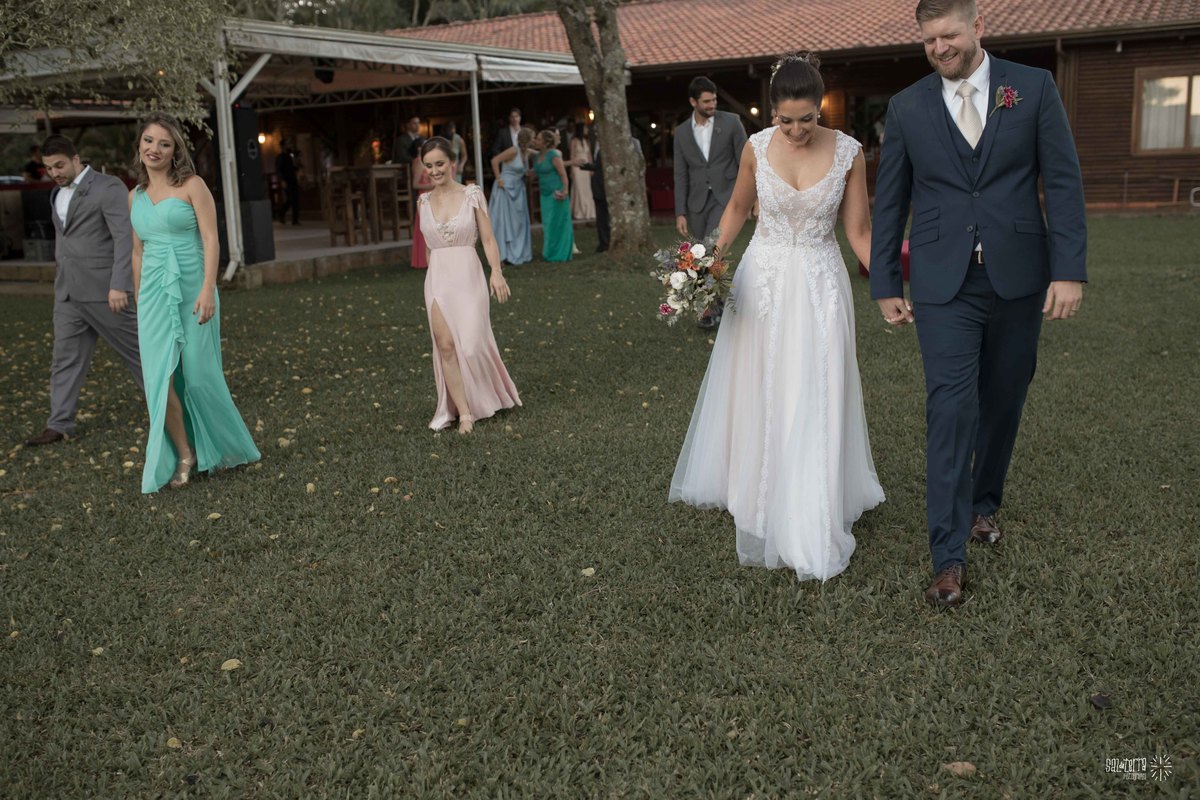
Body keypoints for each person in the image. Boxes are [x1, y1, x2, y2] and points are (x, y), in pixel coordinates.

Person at [870, 0, 1087, 608]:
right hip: (942, 284)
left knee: (1004, 396)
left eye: (950, 35)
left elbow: (1062, 181)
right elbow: (891, 200)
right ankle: (947, 558)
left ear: (978, 27)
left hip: (1019, 275)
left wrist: (1069, 271)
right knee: (950, 408)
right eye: (929, 40)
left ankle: (982, 503)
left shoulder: (1033, 89)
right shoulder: (907, 106)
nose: (940, 48)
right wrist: (886, 282)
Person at [670, 53, 884, 583]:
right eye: (785, 120)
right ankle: (756, 485)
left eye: (806, 119)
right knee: (761, 384)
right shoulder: (756, 146)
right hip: (762, 282)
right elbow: (736, 210)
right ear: (772, 113)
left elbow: (858, 231)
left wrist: (890, 285)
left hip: (819, 285)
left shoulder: (849, 153)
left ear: (821, 107)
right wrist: (704, 264)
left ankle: (810, 495)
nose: (795, 130)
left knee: (815, 386)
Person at [129, 112, 261, 492]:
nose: (155, 149)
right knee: (160, 380)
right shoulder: (134, 196)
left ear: (175, 151)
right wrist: (139, 297)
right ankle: (185, 454)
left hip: (193, 289)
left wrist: (208, 289)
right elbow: (137, 251)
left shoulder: (192, 185)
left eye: (164, 143)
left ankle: (227, 446)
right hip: (153, 296)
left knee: (200, 375)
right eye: (149, 141)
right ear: (139, 145)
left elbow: (211, 239)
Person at [23, 135, 144, 447]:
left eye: (60, 165)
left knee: (140, 354)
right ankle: (59, 424)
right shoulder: (55, 193)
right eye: (49, 168)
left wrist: (120, 284)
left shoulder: (108, 187)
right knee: (64, 359)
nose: (55, 173)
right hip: (67, 294)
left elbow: (124, 238)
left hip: (107, 292)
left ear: (76, 159)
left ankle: (172, 408)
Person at [416, 137, 520, 434]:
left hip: (469, 276)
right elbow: (429, 248)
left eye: (439, 164)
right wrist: (432, 280)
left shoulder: (472, 194)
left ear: (452, 162)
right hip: (437, 280)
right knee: (445, 346)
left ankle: (489, 395)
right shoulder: (423, 202)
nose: (434, 171)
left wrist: (496, 272)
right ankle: (464, 413)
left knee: (472, 346)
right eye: (428, 166)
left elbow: (487, 238)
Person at [673, 76, 748, 327]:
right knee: (699, 256)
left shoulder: (732, 122)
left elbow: (746, 161)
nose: (712, 104)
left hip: (725, 198)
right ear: (693, 102)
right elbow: (680, 174)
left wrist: (751, 198)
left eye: (714, 99)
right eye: (706, 101)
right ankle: (714, 304)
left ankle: (709, 310)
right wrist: (680, 211)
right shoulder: (681, 132)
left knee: (713, 250)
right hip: (695, 203)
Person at [488, 127, 534, 266]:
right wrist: (498, 179)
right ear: (527, 139)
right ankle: (501, 256)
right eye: (532, 138)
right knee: (503, 223)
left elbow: (542, 154)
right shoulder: (513, 150)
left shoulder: (527, 152)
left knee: (517, 224)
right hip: (505, 189)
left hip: (518, 190)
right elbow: (495, 160)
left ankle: (515, 252)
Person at [531, 129, 573, 262]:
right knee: (548, 225)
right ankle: (549, 253)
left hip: (557, 194)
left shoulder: (553, 155)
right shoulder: (537, 156)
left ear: (545, 142)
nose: (535, 141)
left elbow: (563, 175)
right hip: (544, 195)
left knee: (558, 224)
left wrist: (565, 191)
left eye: (538, 139)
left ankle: (561, 254)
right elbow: (536, 172)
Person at [409, 138, 432, 269]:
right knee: (425, 227)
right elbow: (415, 184)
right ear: (418, 148)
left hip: (430, 196)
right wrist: (432, 186)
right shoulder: (418, 162)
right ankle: (422, 259)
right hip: (424, 197)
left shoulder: (425, 161)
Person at [568, 123, 596, 220]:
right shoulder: (574, 141)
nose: (587, 130)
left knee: (587, 189)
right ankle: (579, 212)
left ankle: (589, 211)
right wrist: (572, 169)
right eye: (585, 128)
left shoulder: (587, 141)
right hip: (577, 167)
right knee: (579, 189)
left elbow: (589, 156)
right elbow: (572, 155)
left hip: (586, 168)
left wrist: (591, 168)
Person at [274, 138, 301, 225]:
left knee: (296, 199)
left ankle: (295, 220)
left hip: (293, 180)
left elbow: (295, 168)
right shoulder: (280, 157)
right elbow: (278, 170)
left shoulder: (290, 156)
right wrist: (282, 180)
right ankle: (281, 213)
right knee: (290, 199)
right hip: (286, 181)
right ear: (283, 146)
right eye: (287, 144)